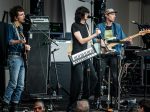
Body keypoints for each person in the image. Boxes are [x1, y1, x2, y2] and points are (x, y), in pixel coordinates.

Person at [67, 6, 101, 111]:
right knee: (78, 80)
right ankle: (72, 104)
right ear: (81, 14)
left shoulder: (86, 25)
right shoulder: (75, 25)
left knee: (94, 77)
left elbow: (89, 40)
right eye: (86, 13)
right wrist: (95, 34)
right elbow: (81, 41)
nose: (88, 15)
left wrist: (99, 43)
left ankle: (83, 99)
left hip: (86, 54)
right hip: (77, 54)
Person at [93, 8, 131, 100]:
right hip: (103, 55)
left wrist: (128, 41)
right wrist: (101, 41)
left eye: (114, 14)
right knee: (99, 76)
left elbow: (123, 39)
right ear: (106, 15)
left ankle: (116, 98)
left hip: (114, 55)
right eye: (112, 14)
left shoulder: (117, 26)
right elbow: (94, 39)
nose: (115, 16)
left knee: (115, 77)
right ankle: (97, 98)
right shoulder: (99, 26)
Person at [2, 5, 31, 111]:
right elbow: (9, 41)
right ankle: (5, 103)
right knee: (13, 83)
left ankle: (14, 104)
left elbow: (21, 43)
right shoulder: (11, 26)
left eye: (23, 14)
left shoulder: (21, 28)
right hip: (14, 57)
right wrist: (20, 41)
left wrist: (25, 47)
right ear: (15, 17)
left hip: (21, 57)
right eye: (21, 14)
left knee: (21, 85)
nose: (24, 16)